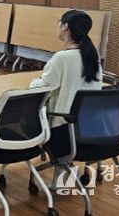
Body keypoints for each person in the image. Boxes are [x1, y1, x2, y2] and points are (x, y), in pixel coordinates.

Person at [29, 9, 102, 158]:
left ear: (65, 26)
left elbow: (42, 88)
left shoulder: (62, 58)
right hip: (89, 126)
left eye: (59, 23)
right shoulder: (93, 56)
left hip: (63, 130)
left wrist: (34, 82)